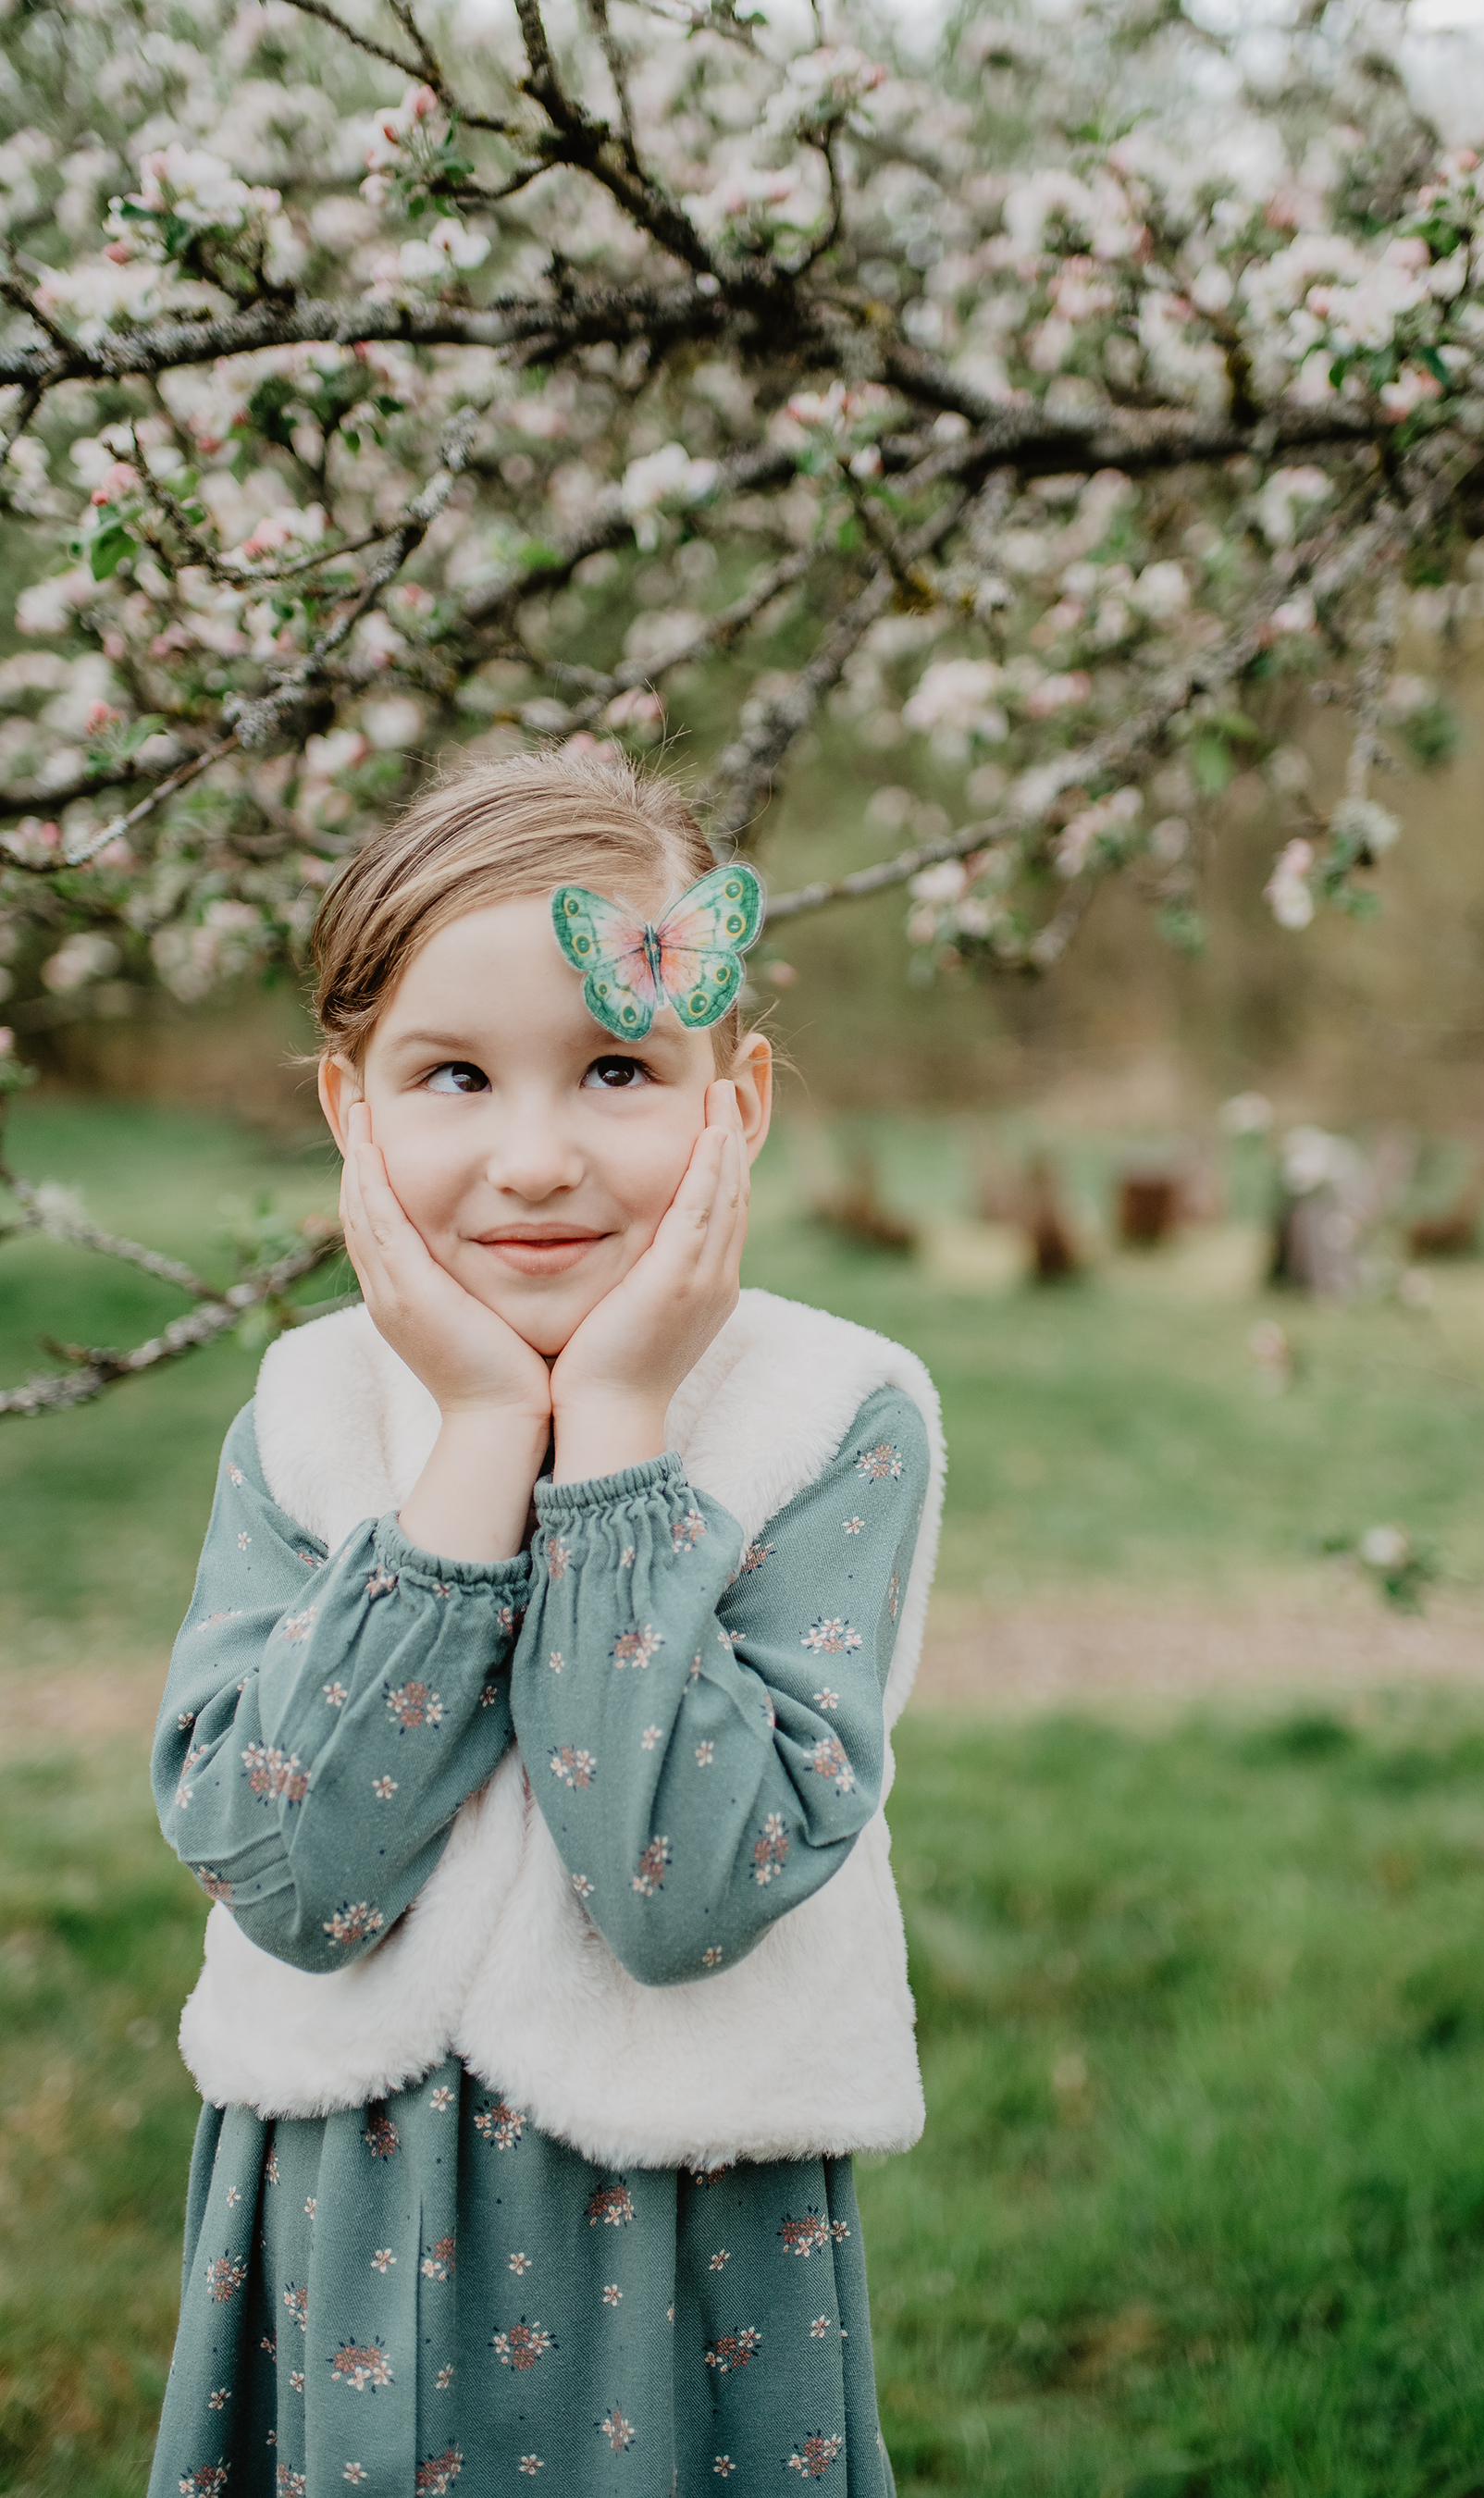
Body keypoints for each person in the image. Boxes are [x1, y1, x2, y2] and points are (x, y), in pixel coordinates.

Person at [147, 743, 943, 2498]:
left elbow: (681, 1893)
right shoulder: (311, 1410)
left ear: (734, 1099)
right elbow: (293, 1879)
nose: (533, 1159)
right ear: (353, 1111)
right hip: (337, 2196)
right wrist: (485, 1436)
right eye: (452, 1075)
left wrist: (615, 1449)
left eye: (613, 1069)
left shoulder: (829, 1416)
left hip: (682, 2235)